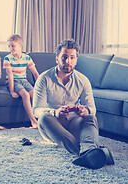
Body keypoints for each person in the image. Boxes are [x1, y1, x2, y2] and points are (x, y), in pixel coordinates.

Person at [33, 39, 114, 169]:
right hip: (53, 127)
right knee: (43, 118)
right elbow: (36, 110)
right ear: (57, 59)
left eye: (72, 57)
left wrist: (85, 110)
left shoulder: (83, 80)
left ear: (76, 59)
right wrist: (55, 112)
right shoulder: (44, 78)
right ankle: (90, 152)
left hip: (73, 124)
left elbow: (92, 108)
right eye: (64, 57)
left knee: (90, 118)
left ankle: (89, 152)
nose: (68, 61)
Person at [3, 34, 39, 128]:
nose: (10, 48)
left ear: (20, 45)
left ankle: (41, 119)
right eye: (9, 46)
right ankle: (33, 121)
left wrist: (40, 87)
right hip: (13, 81)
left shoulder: (27, 58)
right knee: (25, 95)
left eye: (13, 46)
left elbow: (35, 73)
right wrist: (12, 91)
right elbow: (10, 75)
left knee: (35, 95)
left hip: (24, 81)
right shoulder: (7, 58)